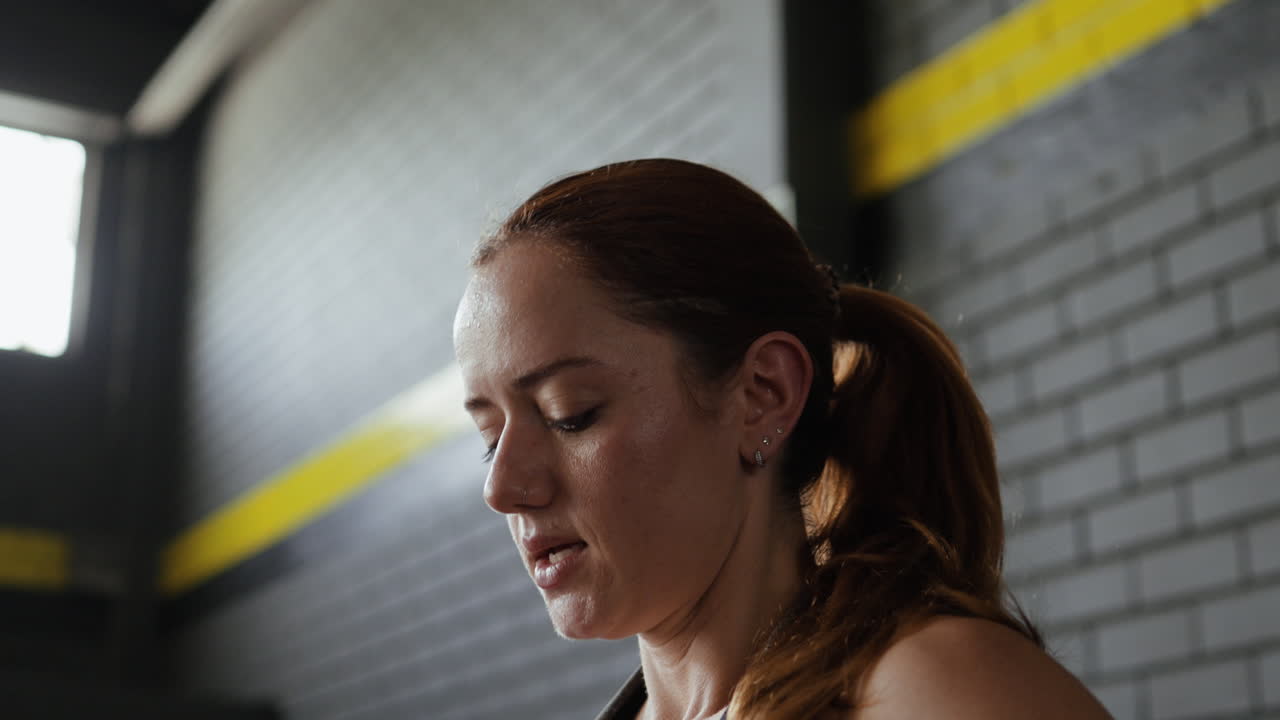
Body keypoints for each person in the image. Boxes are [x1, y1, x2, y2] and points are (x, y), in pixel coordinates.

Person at [452, 158, 1113, 720]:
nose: (503, 487)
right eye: (489, 436)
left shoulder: (935, 694)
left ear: (762, 394)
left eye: (571, 413)